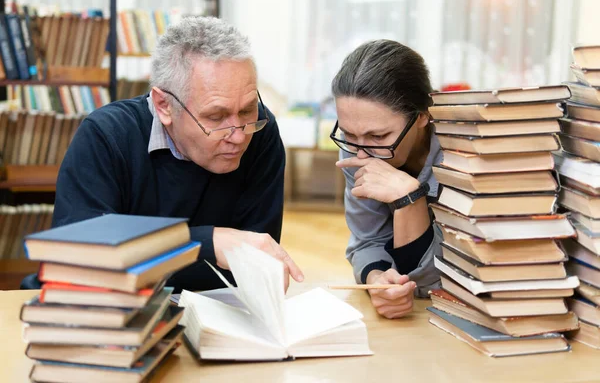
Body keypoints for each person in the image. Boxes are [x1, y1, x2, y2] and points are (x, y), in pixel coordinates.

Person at [21, 16, 303, 292]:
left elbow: (251, 266)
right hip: (99, 316)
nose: (240, 134)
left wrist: (145, 254)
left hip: (212, 313)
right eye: (216, 116)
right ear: (164, 106)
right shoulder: (107, 136)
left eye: (246, 109)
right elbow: (80, 255)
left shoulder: (260, 133)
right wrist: (207, 243)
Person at [330, 40, 442, 319]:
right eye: (348, 134)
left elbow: (433, 283)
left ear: (422, 116)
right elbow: (367, 242)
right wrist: (377, 280)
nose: (361, 153)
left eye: (378, 137)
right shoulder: (356, 151)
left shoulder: (464, 156)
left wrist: (409, 199)